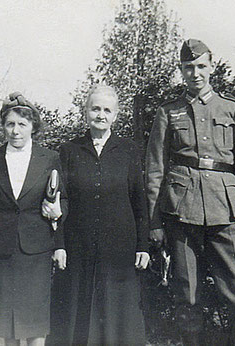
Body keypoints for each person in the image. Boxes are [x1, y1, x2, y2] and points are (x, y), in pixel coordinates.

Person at [145, 39, 235, 345]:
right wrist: (155, 222)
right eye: (188, 68)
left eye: (201, 66)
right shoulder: (168, 112)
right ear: (181, 70)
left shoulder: (231, 107)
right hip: (181, 213)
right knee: (189, 300)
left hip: (226, 212)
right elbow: (155, 169)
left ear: (211, 67)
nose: (195, 73)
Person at [47, 85, 150, 345]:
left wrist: (143, 246)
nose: (101, 115)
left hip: (119, 251)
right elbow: (62, 200)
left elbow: (139, 200)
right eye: (95, 109)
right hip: (78, 246)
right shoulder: (69, 150)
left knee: (117, 317)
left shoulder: (129, 150)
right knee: (78, 316)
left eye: (107, 110)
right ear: (86, 113)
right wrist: (59, 244)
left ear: (116, 115)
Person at [0, 92, 68, 346]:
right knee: (7, 320)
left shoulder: (49, 158)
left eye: (22, 124)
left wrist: (59, 238)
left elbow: (62, 200)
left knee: (35, 318)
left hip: (36, 248)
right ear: (3, 125)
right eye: (10, 124)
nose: (15, 131)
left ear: (33, 126)